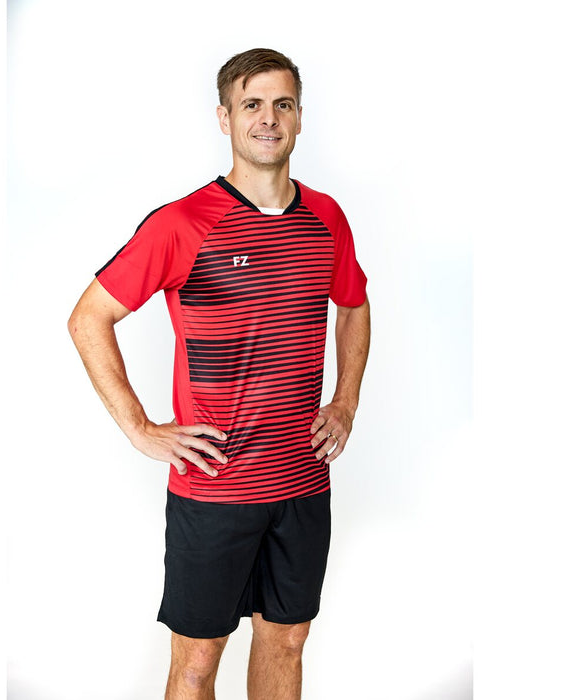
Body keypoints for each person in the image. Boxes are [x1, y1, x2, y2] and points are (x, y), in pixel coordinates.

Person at [68, 48, 371, 700]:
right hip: (214, 490)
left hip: (301, 480)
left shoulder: (327, 218)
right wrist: (140, 428)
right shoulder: (182, 224)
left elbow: (353, 304)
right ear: (225, 117)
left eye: (282, 104)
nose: (268, 118)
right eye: (251, 104)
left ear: (300, 117)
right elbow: (89, 317)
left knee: (286, 642)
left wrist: (345, 400)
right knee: (197, 662)